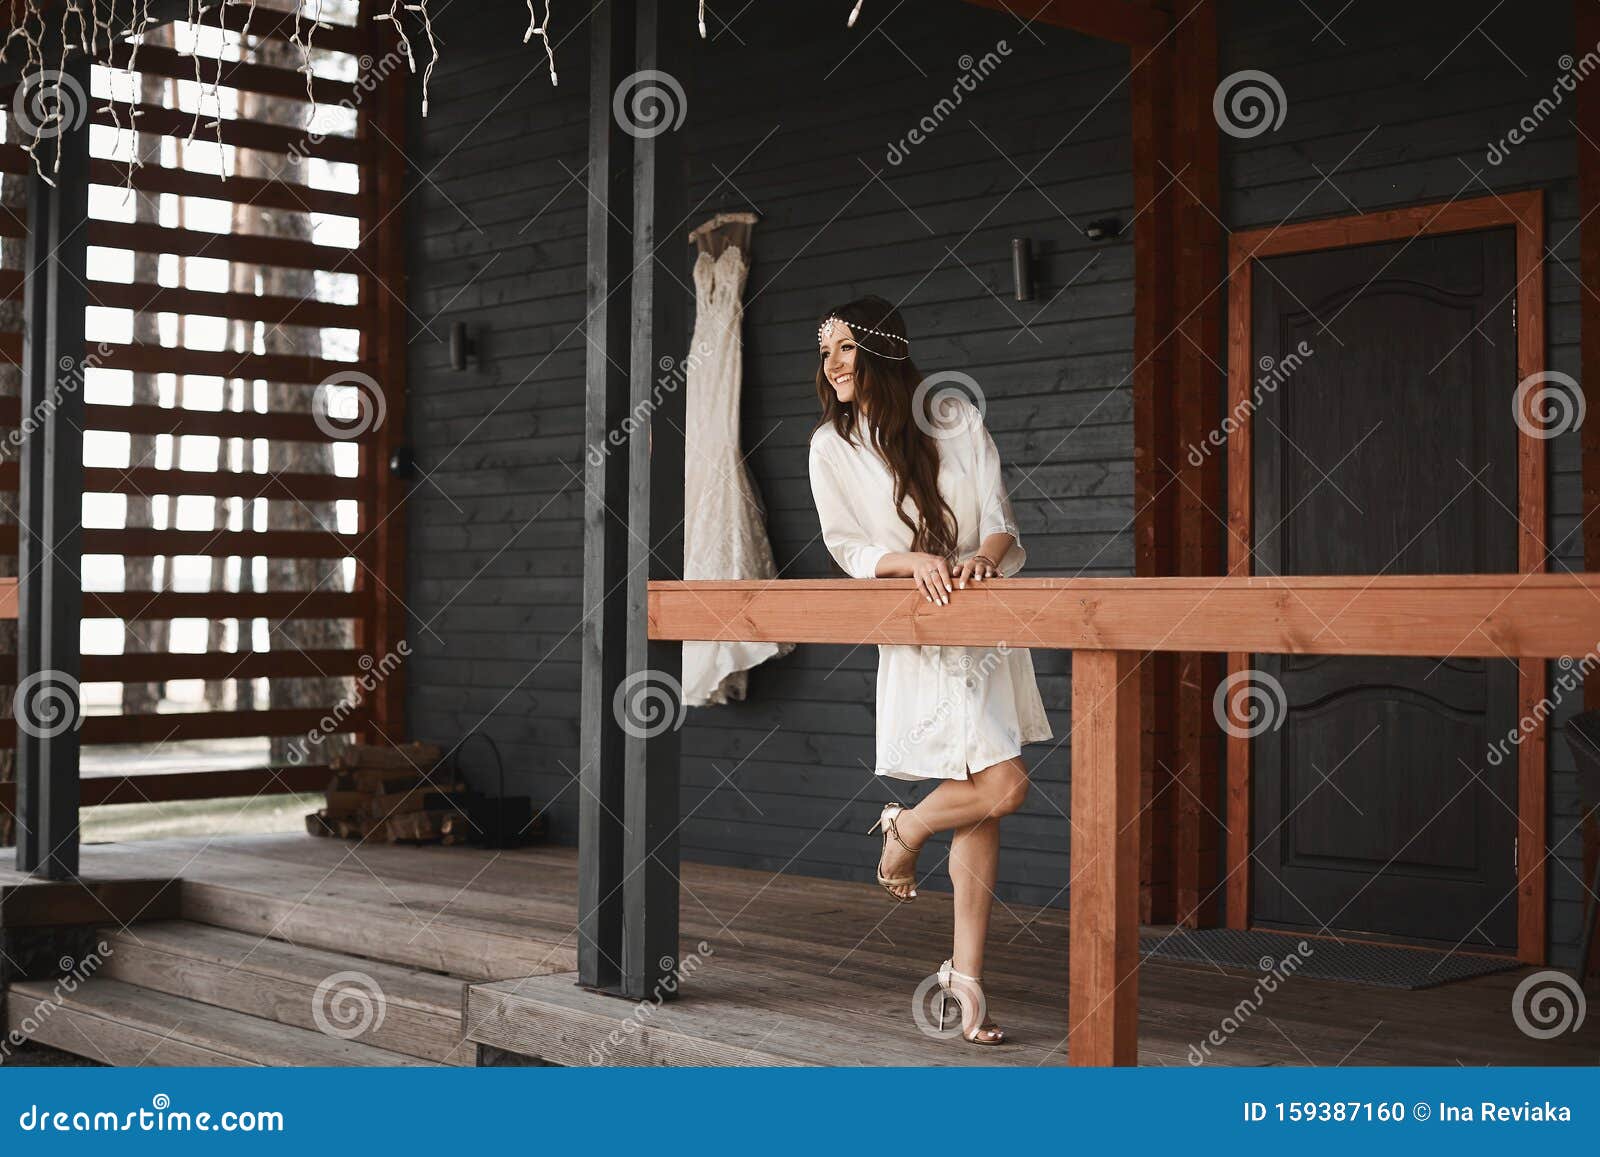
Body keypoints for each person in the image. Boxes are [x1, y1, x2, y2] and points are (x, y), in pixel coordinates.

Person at [806, 295, 1053, 1046]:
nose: (833, 364)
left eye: (845, 347)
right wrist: (911, 558)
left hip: (983, 624)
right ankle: (907, 832)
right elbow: (847, 547)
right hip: (917, 628)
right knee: (998, 784)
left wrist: (985, 554)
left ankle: (964, 974)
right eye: (826, 352)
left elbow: (1003, 522)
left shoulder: (953, 418)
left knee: (987, 792)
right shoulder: (831, 445)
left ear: (882, 348)